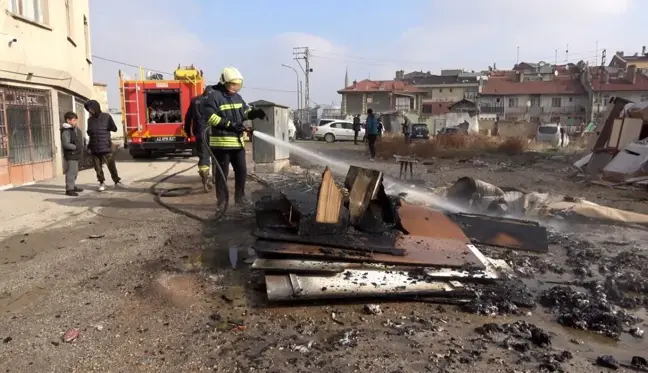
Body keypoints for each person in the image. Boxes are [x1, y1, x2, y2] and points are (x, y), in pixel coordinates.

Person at [202, 67, 267, 210]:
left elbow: (244, 112)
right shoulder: (214, 96)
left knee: (242, 171)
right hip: (221, 145)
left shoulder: (237, 97)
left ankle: (240, 198)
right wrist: (230, 125)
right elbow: (210, 117)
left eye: (238, 85)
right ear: (224, 82)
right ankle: (222, 202)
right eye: (233, 84)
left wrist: (255, 113)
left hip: (238, 144)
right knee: (222, 175)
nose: (235, 88)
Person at [84, 100, 124, 191]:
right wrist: (89, 146)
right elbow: (89, 133)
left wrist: (108, 128)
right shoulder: (89, 120)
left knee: (111, 166)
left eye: (92, 109)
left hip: (106, 146)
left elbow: (114, 129)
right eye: (88, 109)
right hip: (94, 147)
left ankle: (117, 181)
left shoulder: (107, 117)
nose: (90, 111)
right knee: (97, 168)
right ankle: (101, 182)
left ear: (96, 107)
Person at [184, 91, 214, 193]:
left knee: (204, 157)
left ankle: (205, 178)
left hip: (201, 133)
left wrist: (188, 133)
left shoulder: (195, 100)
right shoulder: (216, 99)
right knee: (217, 156)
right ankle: (216, 179)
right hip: (215, 132)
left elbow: (188, 118)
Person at [60, 111, 85, 196]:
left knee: (75, 171)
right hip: (71, 154)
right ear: (68, 120)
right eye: (74, 120)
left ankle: (73, 186)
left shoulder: (75, 129)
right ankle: (69, 189)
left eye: (75, 120)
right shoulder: (66, 131)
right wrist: (75, 147)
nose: (75, 122)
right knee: (71, 172)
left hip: (76, 154)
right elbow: (66, 144)